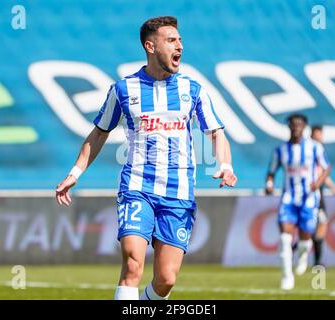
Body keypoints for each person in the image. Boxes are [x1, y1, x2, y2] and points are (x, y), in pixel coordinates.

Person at [55, 16, 237, 300]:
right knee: (132, 265)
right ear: (150, 46)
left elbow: (216, 132)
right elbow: (99, 134)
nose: (180, 46)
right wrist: (74, 173)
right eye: (172, 40)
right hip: (137, 188)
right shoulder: (123, 89)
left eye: (180, 40)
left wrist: (225, 165)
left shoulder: (193, 90)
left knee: (166, 279)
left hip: (179, 193)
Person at [265, 114, 330, 290]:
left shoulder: (314, 148)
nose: (296, 128)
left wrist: (318, 182)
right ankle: (287, 276)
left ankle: (303, 253)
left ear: (304, 127)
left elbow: (326, 168)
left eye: (299, 125)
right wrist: (269, 184)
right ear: (289, 127)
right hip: (289, 198)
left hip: (309, 199)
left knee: (305, 239)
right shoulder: (280, 150)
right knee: (285, 239)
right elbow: (271, 172)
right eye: (293, 125)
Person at [310, 125, 335, 266]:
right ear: (312, 135)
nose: (319, 137)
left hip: (319, 192)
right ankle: (314, 258)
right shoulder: (313, 149)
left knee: (320, 224)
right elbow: (323, 172)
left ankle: (316, 258)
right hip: (312, 193)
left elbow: (324, 174)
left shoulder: (317, 151)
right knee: (317, 224)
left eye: (320, 135)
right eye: (317, 134)